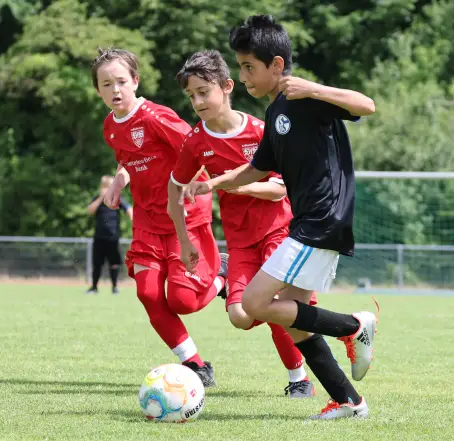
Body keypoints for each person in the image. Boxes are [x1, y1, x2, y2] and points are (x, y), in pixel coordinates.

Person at [184, 15, 378, 419]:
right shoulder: (276, 112)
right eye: (240, 67)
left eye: (248, 67)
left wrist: (314, 88)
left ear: (276, 65)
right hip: (309, 222)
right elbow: (257, 168)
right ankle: (349, 401)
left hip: (321, 220)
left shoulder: (304, 96)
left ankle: (353, 326)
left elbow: (366, 105)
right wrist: (213, 184)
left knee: (254, 302)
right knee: (293, 319)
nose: (243, 76)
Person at [169, 50, 315, 398]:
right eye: (191, 96)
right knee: (239, 316)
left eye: (203, 92)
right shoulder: (196, 141)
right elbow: (175, 188)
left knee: (275, 301)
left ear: (227, 86)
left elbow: (280, 190)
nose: (197, 102)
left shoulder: (261, 131)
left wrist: (237, 185)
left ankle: (299, 379)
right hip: (241, 242)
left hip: (279, 231)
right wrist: (184, 241)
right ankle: (227, 275)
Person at [91, 47, 227, 386]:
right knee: (148, 294)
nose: (115, 89)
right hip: (148, 222)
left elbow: (196, 148)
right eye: (106, 84)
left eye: (121, 81)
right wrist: (119, 182)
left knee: (183, 301)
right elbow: (129, 160)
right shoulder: (110, 127)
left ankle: (221, 276)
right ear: (98, 90)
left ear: (135, 81)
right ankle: (195, 364)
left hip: (185, 217)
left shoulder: (155, 117)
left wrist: (213, 182)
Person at [86, 175, 133, 294]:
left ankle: (115, 287)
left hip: (113, 236)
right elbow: (90, 210)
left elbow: (129, 209)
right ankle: (94, 287)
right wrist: (101, 198)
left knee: (114, 263)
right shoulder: (98, 199)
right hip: (99, 236)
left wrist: (134, 221)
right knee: (97, 263)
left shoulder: (117, 199)